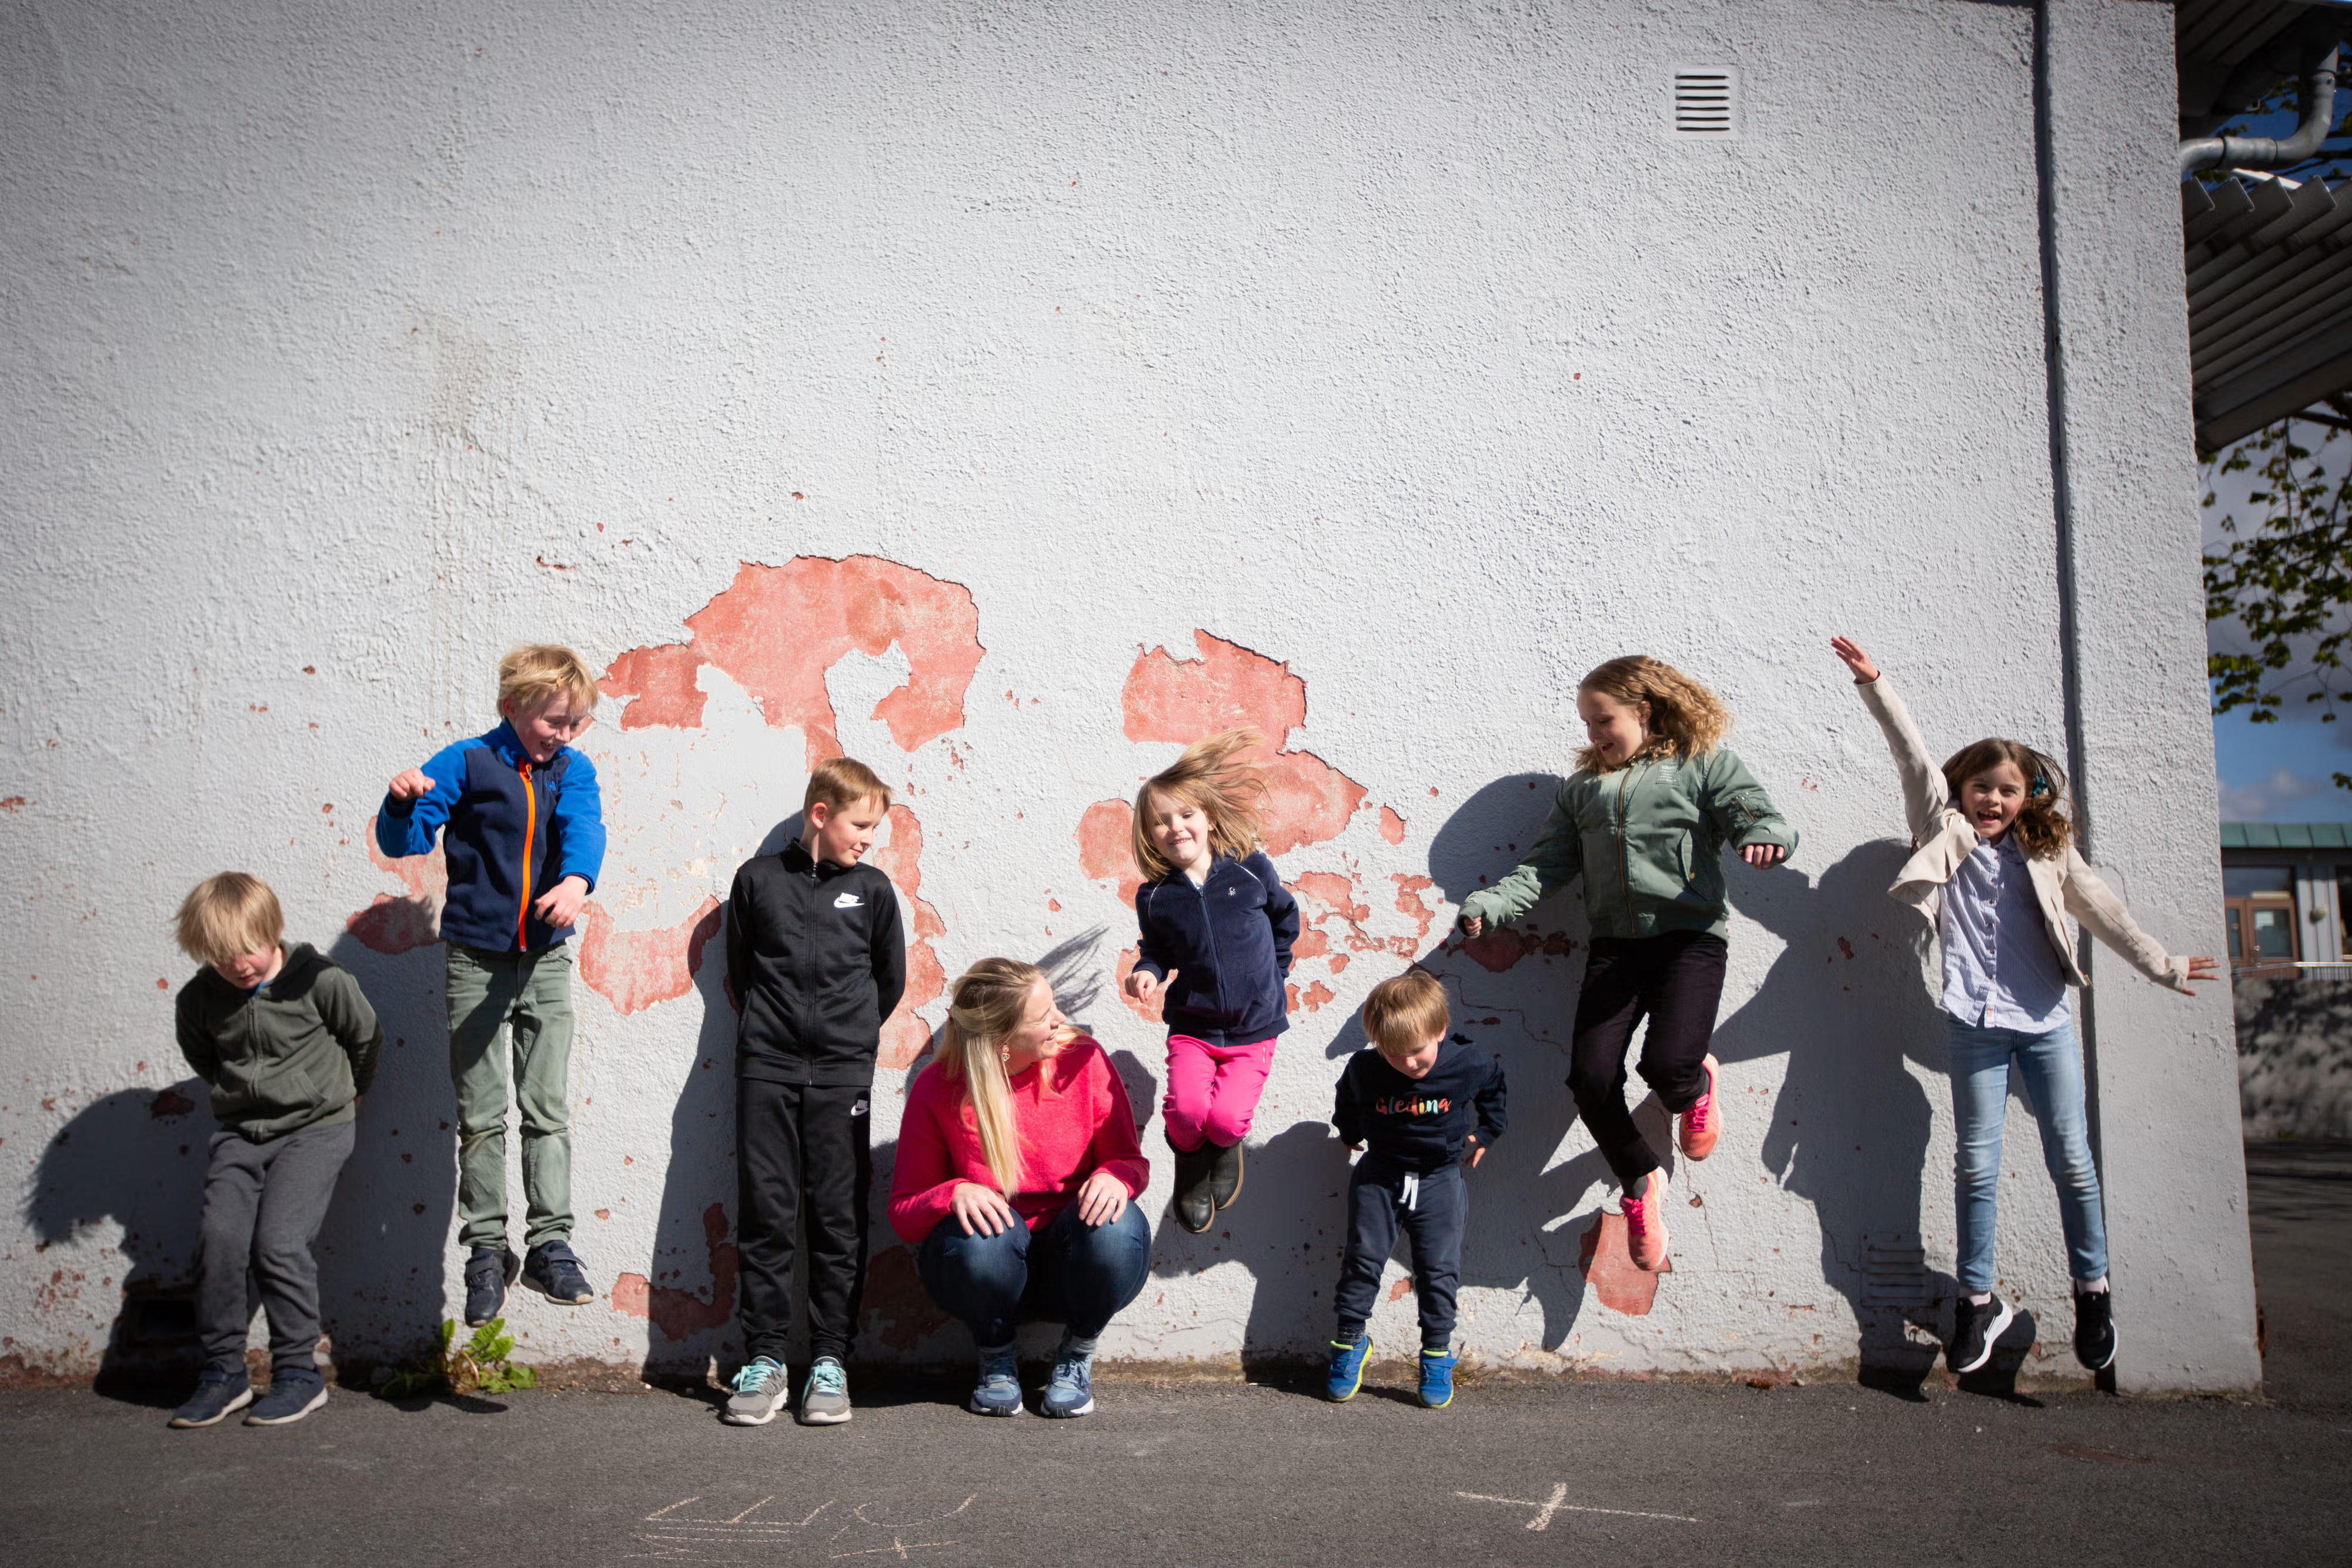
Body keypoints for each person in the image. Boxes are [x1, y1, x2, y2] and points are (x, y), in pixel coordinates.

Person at [1830, 636, 2218, 1375]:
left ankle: (2093, 1293)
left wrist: (2162, 965)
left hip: (2044, 1026)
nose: (1993, 800)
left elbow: (2102, 911)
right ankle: (1976, 1304)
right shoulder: (1942, 832)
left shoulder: (2047, 852)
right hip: (1973, 1026)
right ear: (1961, 790)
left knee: (2071, 1160)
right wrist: (1876, 685)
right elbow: (1912, 758)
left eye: (2007, 790)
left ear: (2026, 797)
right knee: (1976, 1169)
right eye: (1981, 787)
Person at [1455, 655, 1795, 1274]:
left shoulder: (1702, 764)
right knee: (1589, 1078)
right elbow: (1544, 867)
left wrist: (1764, 835)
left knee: (1666, 1065)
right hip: (1616, 947)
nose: (1593, 734)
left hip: (1690, 940)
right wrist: (1490, 906)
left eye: (1603, 719)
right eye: (1586, 723)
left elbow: (1753, 812)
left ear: (1644, 709)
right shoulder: (1582, 790)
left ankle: (1695, 1085)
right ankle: (1639, 1180)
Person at [376, 644, 606, 1325]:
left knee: (547, 1108)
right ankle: (485, 1249)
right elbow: (406, 841)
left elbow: (584, 828)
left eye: (576, 722)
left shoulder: (573, 770)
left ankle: (550, 1245)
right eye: (554, 720)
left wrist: (576, 881)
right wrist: (400, 804)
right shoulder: (468, 761)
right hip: (476, 963)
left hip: (546, 960)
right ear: (512, 707)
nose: (564, 734)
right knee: (481, 1115)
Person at [719, 757, 906, 1428]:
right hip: (766, 1069)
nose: (868, 840)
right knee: (766, 1215)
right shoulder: (756, 881)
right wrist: (775, 1034)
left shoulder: (874, 890)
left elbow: (888, 979)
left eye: (875, 829)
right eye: (860, 826)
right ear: (820, 816)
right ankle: (765, 1361)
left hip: (842, 1074)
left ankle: (830, 1361)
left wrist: (846, 1038)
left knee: (837, 1217)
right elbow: (741, 972)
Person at [890, 958, 1151, 1419]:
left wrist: (1115, 1176)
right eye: (1044, 1015)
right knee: (978, 1237)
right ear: (1002, 1041)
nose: (1060, 1020)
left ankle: (1077, 1353)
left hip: (1072, 1262)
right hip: (992, 1270)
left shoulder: (1084, 1060)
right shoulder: (938, 1087)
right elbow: (904, 1213)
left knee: (1118, 1228)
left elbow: (1131, 1161)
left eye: (1054, 1006)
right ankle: (996, 1356)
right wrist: (951, 1194)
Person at [168, 873, 381, 1429]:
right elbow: (204, 1057)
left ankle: (297, 1373)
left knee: (279, 1242)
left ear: (274, 929)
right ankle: (224, 1372)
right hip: (241, 1133)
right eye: (222, 957)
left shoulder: (320, 980)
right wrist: (242, 1097)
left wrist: (348, 1094)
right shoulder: (199, 999)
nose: (239, 965)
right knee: (219, 1240)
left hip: (316, 1129)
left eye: (249, 949)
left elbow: (365, 1037)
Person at [1120, 730, 1300, 1233]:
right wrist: (1146, 973)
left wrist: (1275, 974)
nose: (1175, 827)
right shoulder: (1156, 896)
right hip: (1194, 1027)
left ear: (1209, 817)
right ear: (1149, 834)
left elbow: (1285, 918)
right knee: (1185, 1114)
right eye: (1161, 821)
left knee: (1224, 1120)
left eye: (1185, 814)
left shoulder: (1249, 869)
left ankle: (1222, 1147)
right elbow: (1156, 951)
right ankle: (1190, 1163)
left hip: (1254, 1027)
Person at [1325, 969, 1507, 1409]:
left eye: (1417, 1051)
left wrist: (1488, 1132)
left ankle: (1437, 1355)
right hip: (1380, 1174)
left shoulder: (1466, 1063)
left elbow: (1493, 1084)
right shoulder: (1365, 1067)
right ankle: (1350, 1343)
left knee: (1438, 1269)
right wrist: (1348, 1131)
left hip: (1439, 1178)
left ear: (1440, 1030)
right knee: (1362, 1260)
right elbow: (1347, 1097)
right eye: (1394, 1053)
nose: (1407, 1063)